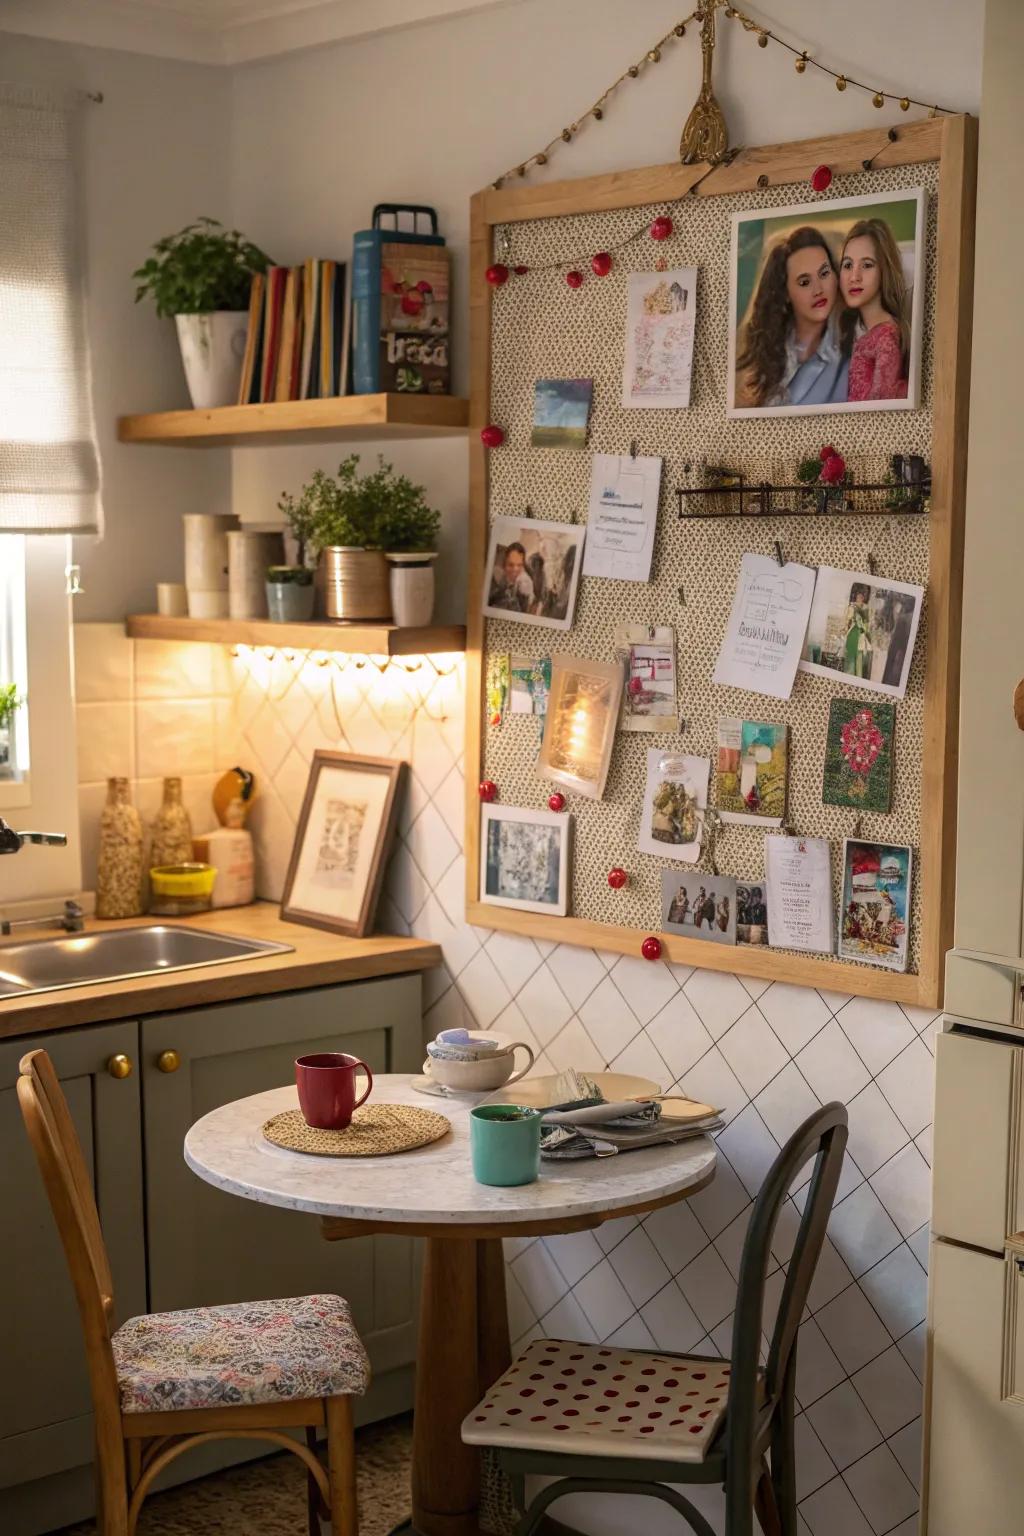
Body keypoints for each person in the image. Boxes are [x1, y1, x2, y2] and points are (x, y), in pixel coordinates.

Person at [735, 225, 849, 408]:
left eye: (824, 273)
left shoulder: (851, 349)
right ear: (786, 292)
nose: (818, 289)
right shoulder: (768, 352)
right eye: (804, 282)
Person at [838, 218, 910, 401]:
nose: (854, 276)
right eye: (847, 265)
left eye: (867, 265)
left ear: (884, 270)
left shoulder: (886, 336)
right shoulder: (864, 335)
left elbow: (882, 399)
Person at [488, 541, 535, 613]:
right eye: (510, 565)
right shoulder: (498, 576)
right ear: (504, 564)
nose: (515, 569)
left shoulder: (524, 583)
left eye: (519, 565)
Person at [844, 583, 873, 679]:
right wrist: (846, 628)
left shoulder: (866, 608)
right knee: (851, 658)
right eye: (858, 595)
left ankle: (858, 678)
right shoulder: (851, 607)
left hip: (862, 634)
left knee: (860, 659)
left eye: (862, 595)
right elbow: (847, 621)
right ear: (855, 595)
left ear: (864, 596)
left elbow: (867, 623)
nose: (860, 597)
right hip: (853, 633)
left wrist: (866, 632)